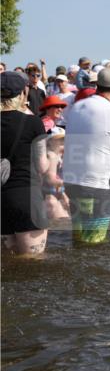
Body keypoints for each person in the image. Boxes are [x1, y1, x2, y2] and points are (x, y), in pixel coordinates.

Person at [61, 67, 110, 244]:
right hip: (94, 186)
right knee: (94, 242)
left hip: (71, 182)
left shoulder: (77, 106)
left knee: (79, 238)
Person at [1, 71, 49, 255]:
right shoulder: (33, 123)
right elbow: (42, 166)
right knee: (31, 265)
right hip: (25, 197)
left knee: (7, 266)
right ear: (22, 94)